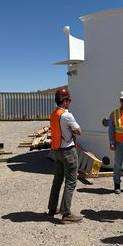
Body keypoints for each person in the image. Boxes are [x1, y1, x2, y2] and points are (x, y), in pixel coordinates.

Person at [47, 87, 83, 224]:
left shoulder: (54, 114)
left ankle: (52, 208)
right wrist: (72, 130)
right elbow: (79, 131)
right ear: (65, 100)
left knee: (57, 180)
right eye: (69, 100)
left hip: (57, 151)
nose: (70, 102)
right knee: (71, 181)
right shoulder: (67, 115)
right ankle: (66, 213)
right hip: (68, 151)